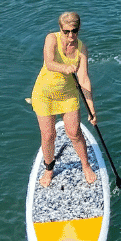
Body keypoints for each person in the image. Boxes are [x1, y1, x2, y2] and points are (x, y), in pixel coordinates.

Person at [29, 12, 98, 188]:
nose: (70, 36)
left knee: (74, 132)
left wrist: (91, 109)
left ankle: (86, 165)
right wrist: (66, 67)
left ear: (79, 29)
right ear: (60, 29)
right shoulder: (51, 39)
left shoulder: (81, 49)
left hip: (68, 95)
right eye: (66, 31)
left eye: (74, 31)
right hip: (44, 95)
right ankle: (49, 169)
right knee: (48, 135)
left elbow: (83, 79)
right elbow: (50, 62)